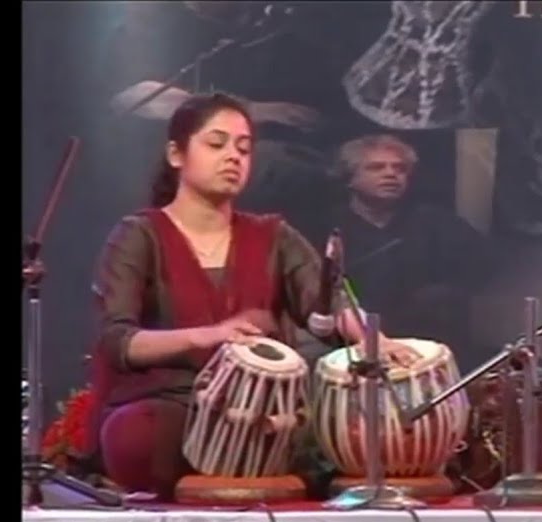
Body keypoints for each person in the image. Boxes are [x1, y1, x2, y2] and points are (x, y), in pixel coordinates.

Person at [87, 93, 418, 499]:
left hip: (266, 413)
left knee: (341, 434)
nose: (233, 156)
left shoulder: (273, 235)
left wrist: (376, 342)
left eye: (243, 148)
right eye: (217, 144)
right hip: (175, 404)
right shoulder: (138, 235)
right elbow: (119, 342)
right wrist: (208, 335)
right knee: (135, 437)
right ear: (176, 153)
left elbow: (328, 304)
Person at [327, 133, 495, 368]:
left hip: (433, 345)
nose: (391, 174)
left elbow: (481, 269)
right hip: (355, 348)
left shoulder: (436, 222)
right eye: (376, 167)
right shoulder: (329, 227)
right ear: (349, 178)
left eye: (400, 169)